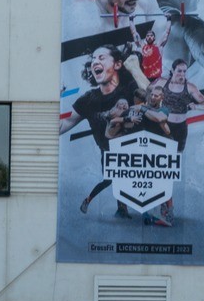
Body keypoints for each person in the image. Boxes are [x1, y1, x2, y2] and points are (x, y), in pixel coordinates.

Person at [60, 46, 146, 216]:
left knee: (131, 179)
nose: (95, 62)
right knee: (112, 179)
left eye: (101, 57)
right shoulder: (88, 100)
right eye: (93, 59)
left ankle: (129, 209)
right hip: (108, 151)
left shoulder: (130, 89)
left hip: (134, 149)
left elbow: (152, 97)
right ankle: (97, 202)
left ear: (118, 64)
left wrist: (135, 68)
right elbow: (64, 124)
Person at [156, 58, 204, 151]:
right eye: (179, 71)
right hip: (165, 125)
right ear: (173, 71)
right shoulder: (163, 82)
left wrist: (197, 106)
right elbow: (148, 90)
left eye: (184, 71)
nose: (182, 74)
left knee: (178, 154)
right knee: (161, 152)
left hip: (180, 127)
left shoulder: (190, 87)